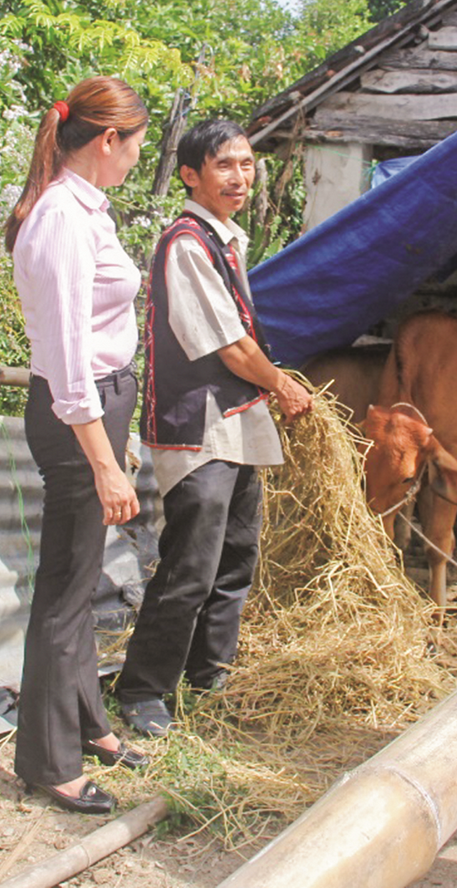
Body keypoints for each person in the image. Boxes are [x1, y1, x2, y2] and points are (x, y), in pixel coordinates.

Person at [114, 117, 313, 738]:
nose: (240, 177)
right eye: (224, 166)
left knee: (235, 558)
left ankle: (209, 680)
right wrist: (281, 384)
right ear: (190, 177)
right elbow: (228, 346)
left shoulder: (225, 240)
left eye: (247, 164)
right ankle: (143, 691)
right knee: (189, 567)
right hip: (198, 429)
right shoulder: (186, 243)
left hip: (236, 424)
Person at [8, 77, 152, 817]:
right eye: (135, 146)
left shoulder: (80, 210)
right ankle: (46, 761)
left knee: (84, 577)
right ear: (106, 141)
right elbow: (67, 361)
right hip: (77, 420)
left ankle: (88, 724)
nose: (135, 160)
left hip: (97, 413)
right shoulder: (63, 218)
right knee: (65, 596)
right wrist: (102, 458)